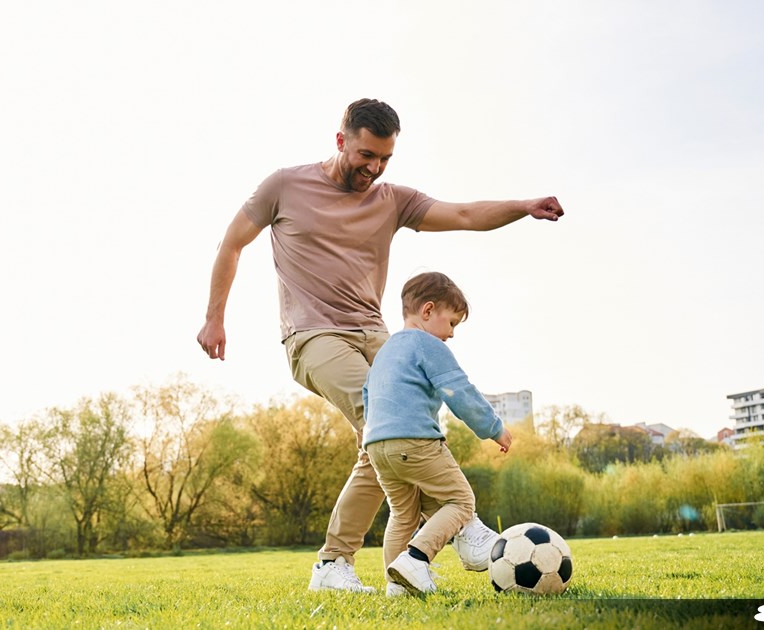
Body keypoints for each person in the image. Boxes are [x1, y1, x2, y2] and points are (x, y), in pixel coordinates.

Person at [196, 98, 563, 593]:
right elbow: (232, 242)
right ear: (341, 140)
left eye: (385, 159)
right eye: (366, 155)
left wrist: (522, 207)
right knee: (385, 426)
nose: (373, 168)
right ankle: (463, 526)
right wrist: (214, 317)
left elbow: (462, 214)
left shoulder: (391, 200)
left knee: (385, 443)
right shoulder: (284, 186)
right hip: (314, 334)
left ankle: (344, 565)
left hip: (378, 336)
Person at [362, 271, 513, 597]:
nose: (452, 334)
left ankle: (397, 586)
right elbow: (459, 391)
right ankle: (416, 559)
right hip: (416, 441)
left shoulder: (385, 351)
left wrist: (374, 438)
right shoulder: (427, 345)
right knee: (460, 501)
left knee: (403, 513)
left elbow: (367, 395)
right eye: (452, 322)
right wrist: (494, 428)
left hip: (376, 445)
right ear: (428, 311)